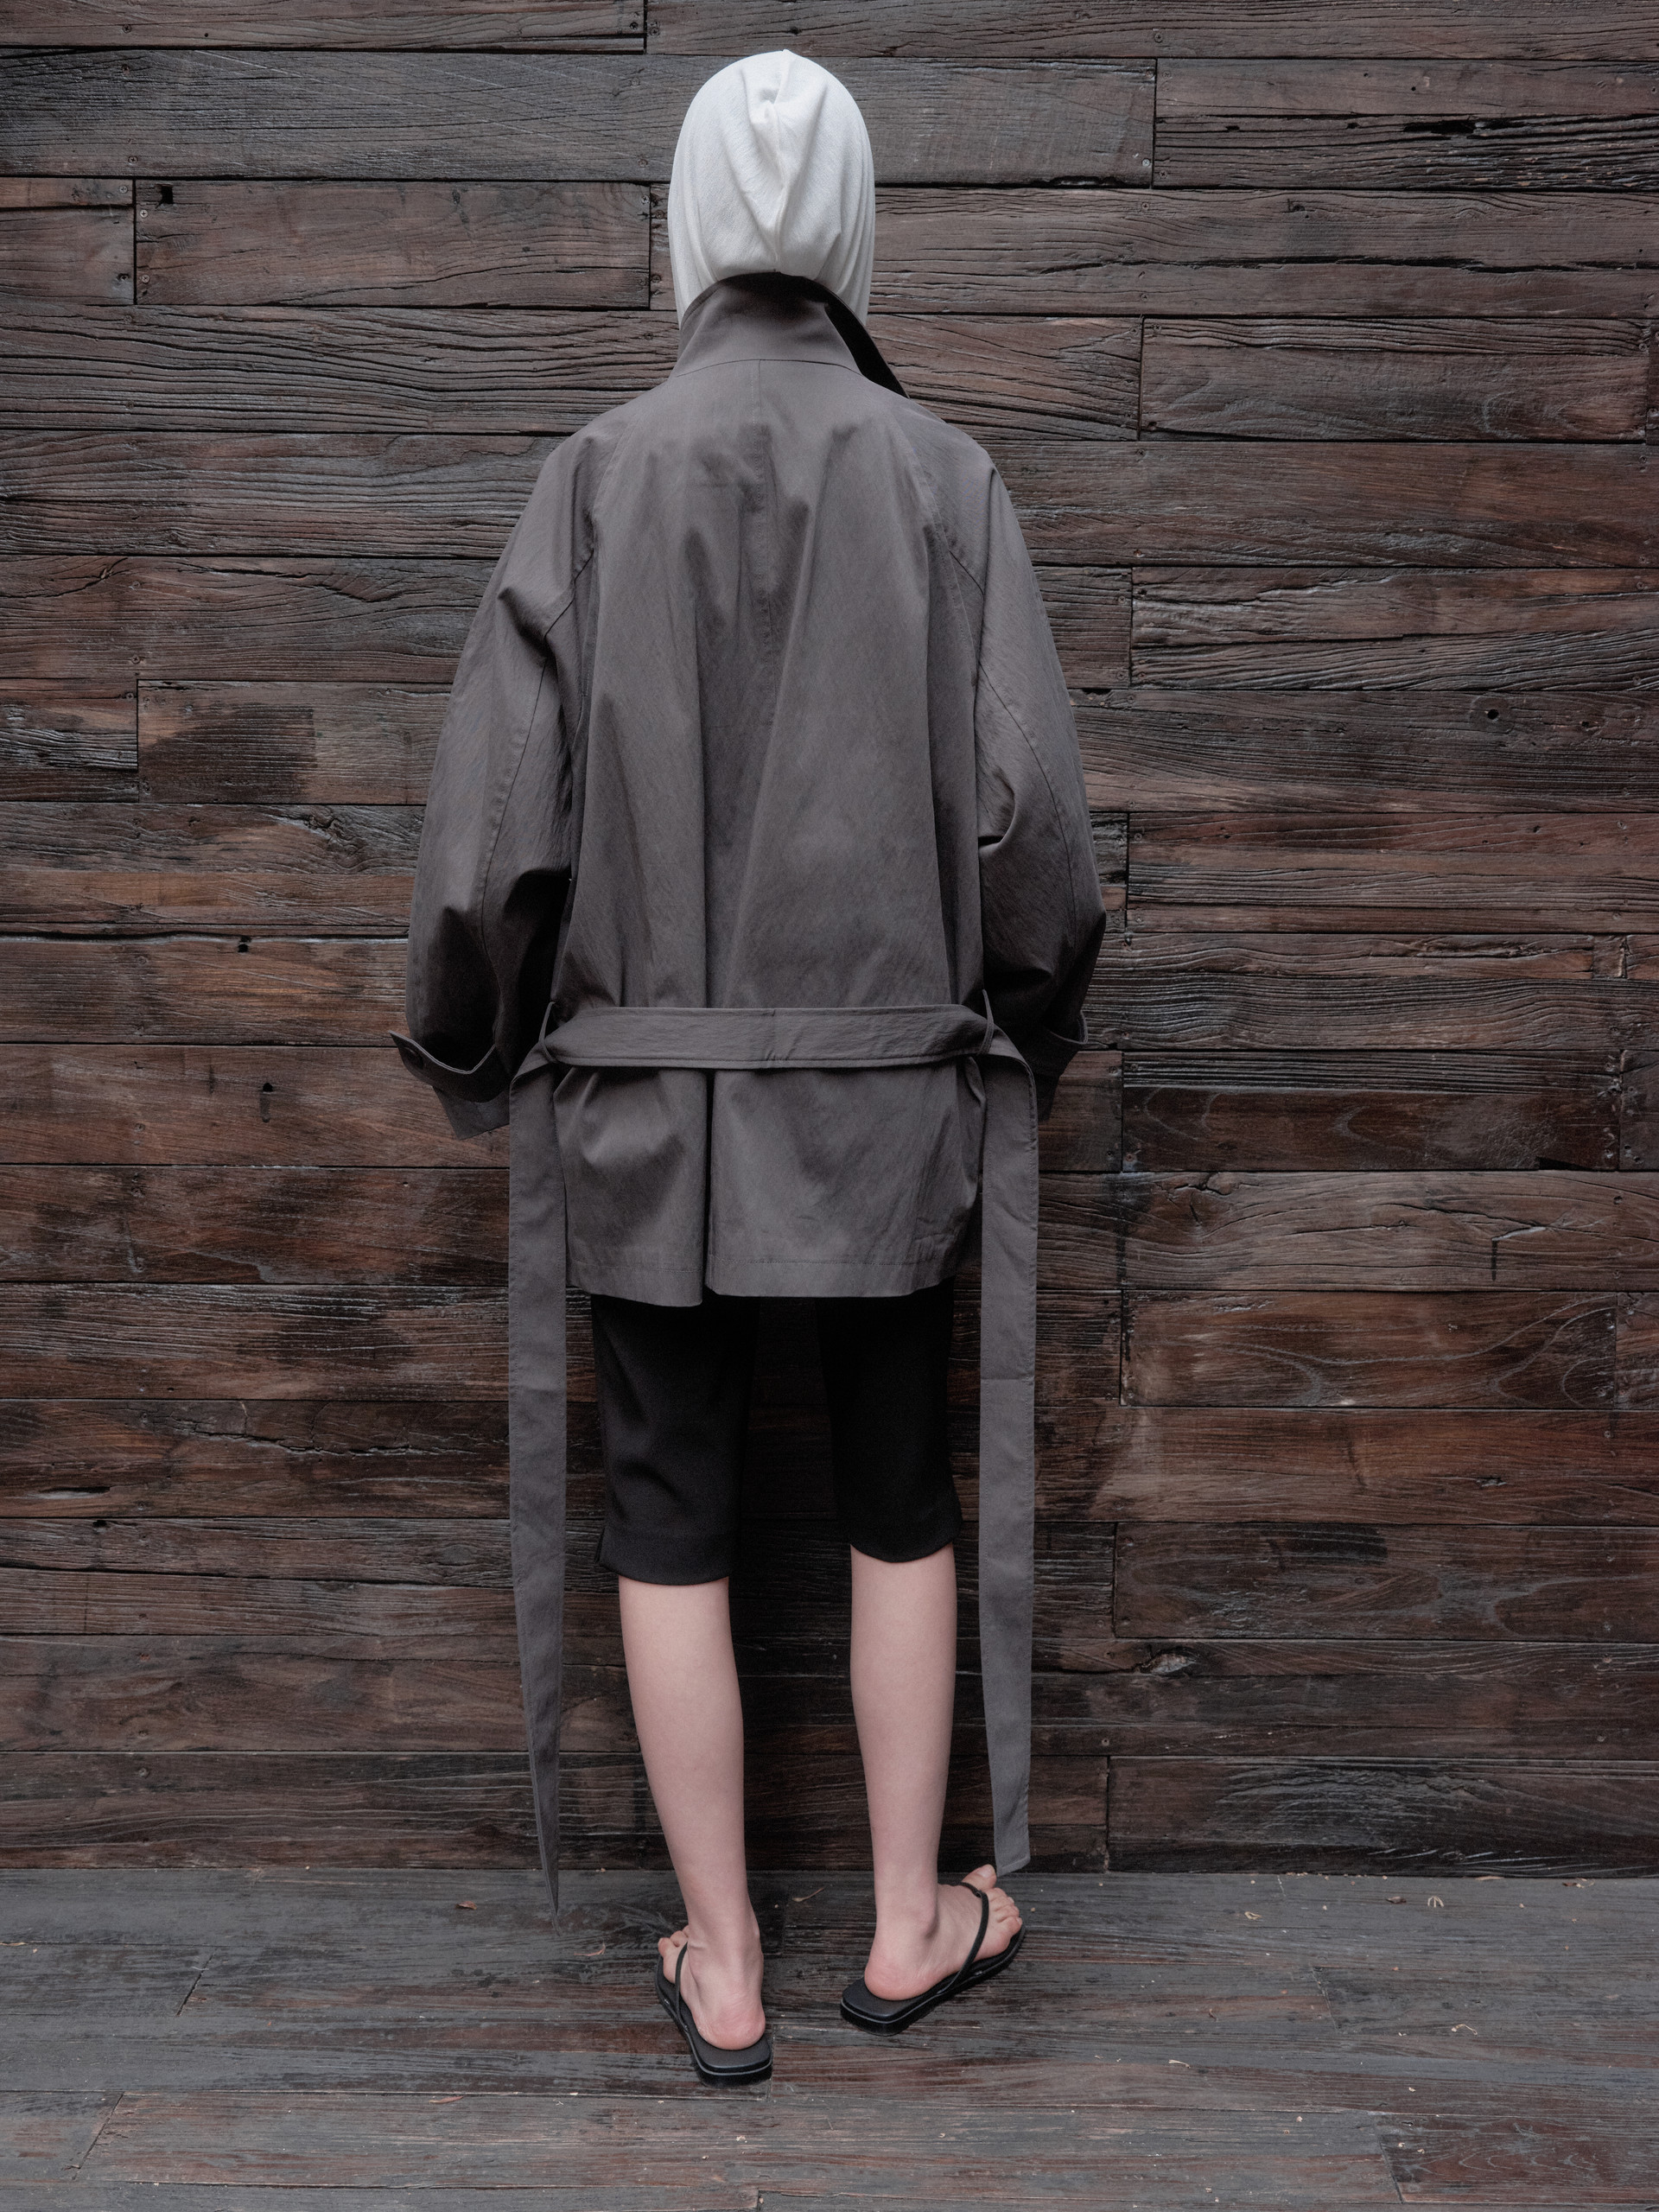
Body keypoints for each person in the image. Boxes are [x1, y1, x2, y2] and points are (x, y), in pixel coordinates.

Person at [395, 50, 1104, 2085]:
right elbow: (1038, 839)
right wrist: (1027, 1022)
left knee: (668, 1503)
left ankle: (721, 1959)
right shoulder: (949, 481)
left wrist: (470, 1034)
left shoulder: (595, 476)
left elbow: (490, 833)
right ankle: (906, 1919)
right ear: (857, 224)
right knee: (896, 1490)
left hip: (646, 1111)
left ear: (690, 223)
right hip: (887, 1102)